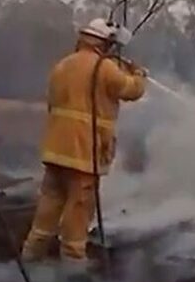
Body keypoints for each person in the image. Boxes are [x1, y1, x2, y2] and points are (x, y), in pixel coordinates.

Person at [21, 18, 146, 267]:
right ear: (105, 43)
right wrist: (139, 75)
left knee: (49, 203)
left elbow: (53, 104)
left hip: (56, 150)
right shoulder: (105, 68)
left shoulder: (62, 65)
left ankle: (31, 257)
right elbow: (130, 90)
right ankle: (73, 264)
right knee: (79, 208)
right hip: (84, 152)